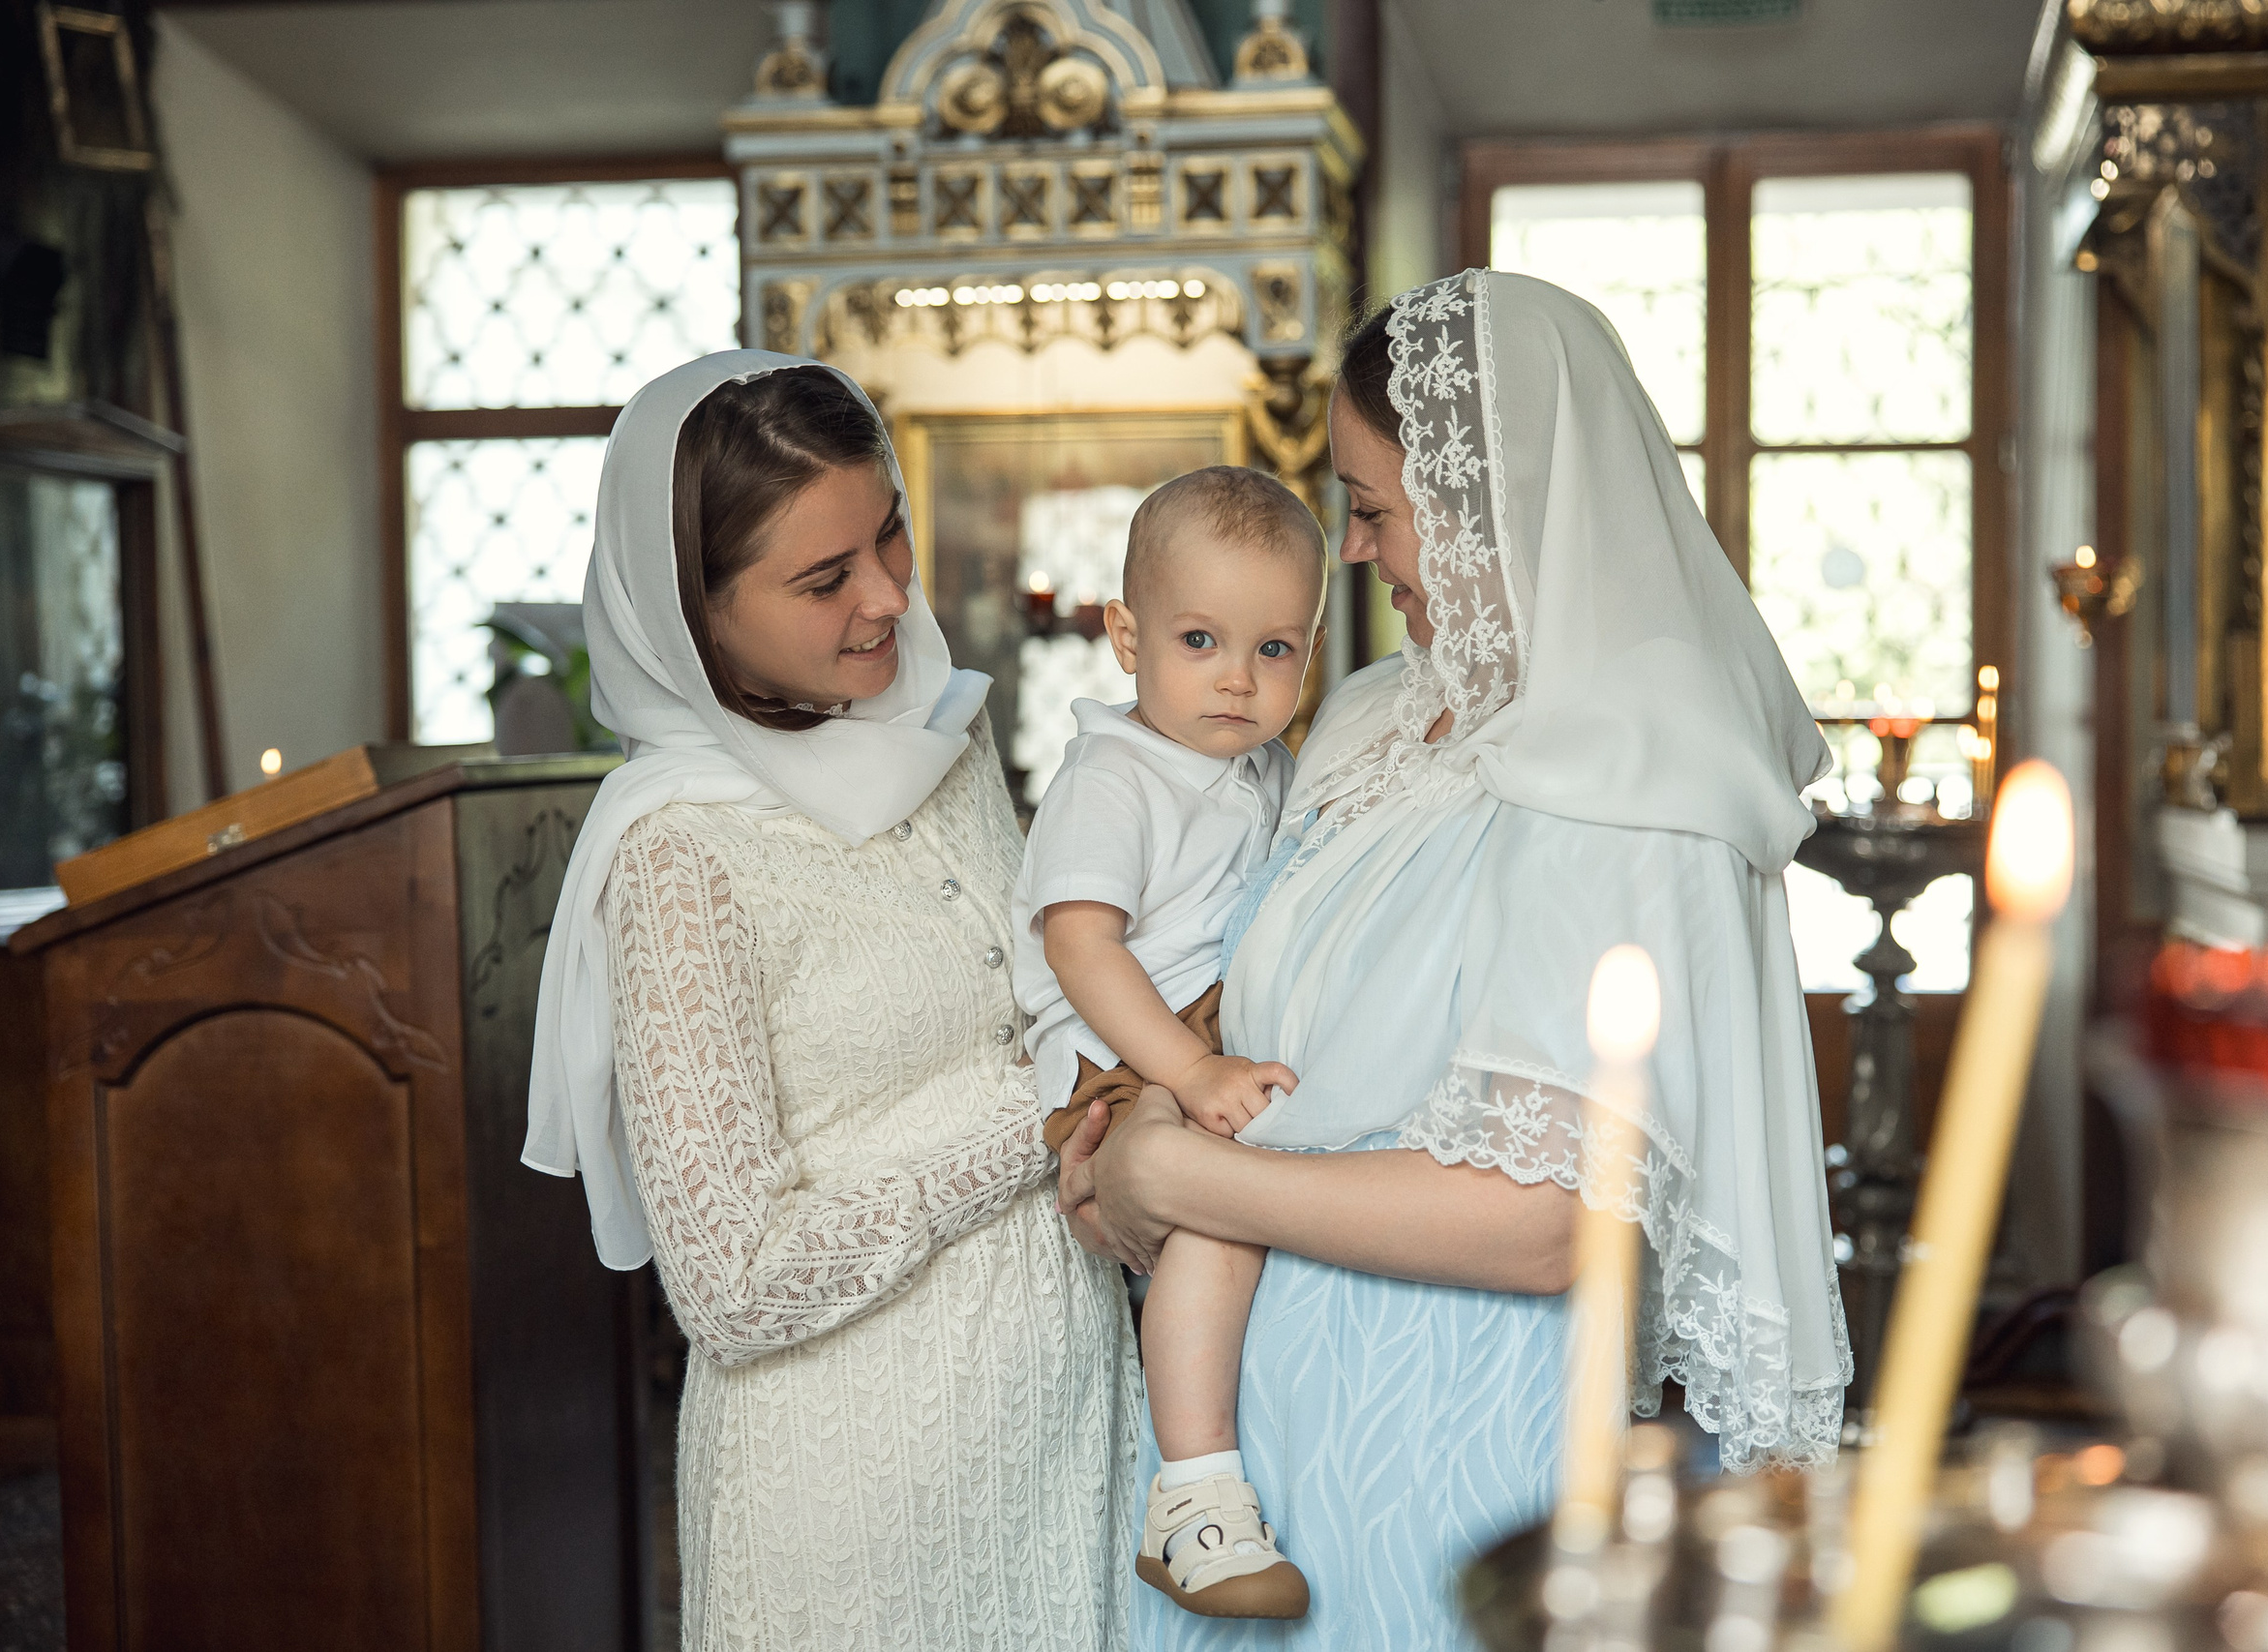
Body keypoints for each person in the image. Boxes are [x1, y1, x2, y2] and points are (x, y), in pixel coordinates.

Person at [1057, 270, 1854, 1650]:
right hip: (1236, 1424)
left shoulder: (1632, 771)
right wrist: (1129, 1115)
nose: (1356, 552)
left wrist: (1187, 1174)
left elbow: (1546, 1214)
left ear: (1490, 503)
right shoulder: (1368, 715)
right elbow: (1252, 1002)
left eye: (1373, 507)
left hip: (1457, 1422)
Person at [523, 350, 1138, 1652]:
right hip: (852, 1486)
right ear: (694, 611)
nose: (886, 596)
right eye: (823, 578)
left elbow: (1035, 990)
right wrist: (1038, 1113)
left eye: (888, 534)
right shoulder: (679, 854)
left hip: (1064, 1418)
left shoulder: (947, 734)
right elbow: (734, 1279)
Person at [1015, 467, 1323, 1620]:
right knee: (1221, 1215)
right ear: (1126, 637)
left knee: (1254, 1211)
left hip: (1197, 1029)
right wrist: (1188, 1072)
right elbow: (1081, 947)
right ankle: (1192, 1505)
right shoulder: (1113, 776)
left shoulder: (1256, 767)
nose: (1240, 678)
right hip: (1123, 1043)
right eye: (1200, 639)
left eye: (1276, 649)